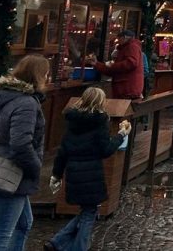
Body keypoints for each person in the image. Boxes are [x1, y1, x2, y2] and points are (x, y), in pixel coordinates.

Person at [47, 87, 130, 251]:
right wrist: (121, 135)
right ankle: (78, 247)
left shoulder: (72, 122)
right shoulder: (100, 122)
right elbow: (105, 150)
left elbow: (63, 152)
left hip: (73, 172)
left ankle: (57, 242)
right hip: (92, 174)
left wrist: (56, 174)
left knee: (87, 210)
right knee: (89, 212)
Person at [0, 54, 50, 251]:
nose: (48, 78)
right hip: (13, 171)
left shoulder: (9, 97)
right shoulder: (26, 103)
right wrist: (35, 167)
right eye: (46, 74)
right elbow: (20, 143)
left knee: (23, 224)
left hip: (11, 166)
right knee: (3, 232)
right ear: (37, 76)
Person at [86, 30, 144, 100]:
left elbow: (131, 63)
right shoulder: (125, 48)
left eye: (119, 38)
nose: (118, 41)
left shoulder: (132, 46)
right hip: (124, 88)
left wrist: (112, 65)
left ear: (124, 37)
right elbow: (113, 70)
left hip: (127, 89)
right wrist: (96, 64)